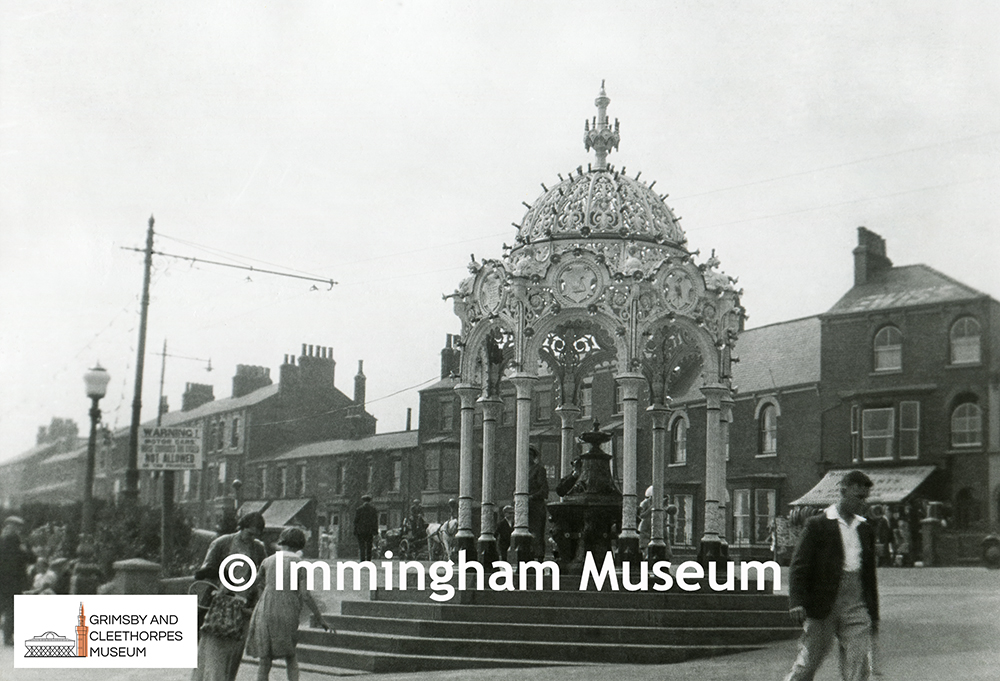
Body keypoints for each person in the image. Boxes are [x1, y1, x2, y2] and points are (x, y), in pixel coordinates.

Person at [784, 470, 879, 681]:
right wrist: (797, 602)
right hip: (822, 603)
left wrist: (873, 613)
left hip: (856, 603)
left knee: (859, 665)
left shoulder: (865, 529)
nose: (862, 503)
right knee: (808, 663)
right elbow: (800, 565)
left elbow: (869, 576)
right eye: (858, 497)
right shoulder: (818, 525)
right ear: (843, 492)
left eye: (865, 497)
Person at [245, 527, 329, 681]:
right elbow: (305, 595)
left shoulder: (267, 561)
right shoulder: (300, 564)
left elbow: (256, 584)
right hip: (287, 609)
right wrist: (319, 617)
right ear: (299, 545)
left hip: (265, 608)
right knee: (290, 655)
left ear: (282, 542)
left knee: (265, 660)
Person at [192, 511, 267, 681]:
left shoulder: (258, 548)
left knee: (233, 656)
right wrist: (226, 576)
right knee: (213, 655)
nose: (251, 538)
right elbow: (203, 572)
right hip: (218, 604)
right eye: (249, 533)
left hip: (241, 607)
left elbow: (263, 575)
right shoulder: (222, 543)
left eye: (255, 535)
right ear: (241, 527)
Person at [0, 516, 35, 646]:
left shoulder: (2, 542)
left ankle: (8, 635)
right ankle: (8, 637)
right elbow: (31, 559)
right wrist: (26, 548)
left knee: (6, 607)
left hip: (2, 580)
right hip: (14, 581)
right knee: (11, 609)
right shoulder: (18, 544)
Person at [527, 446, 549, 559]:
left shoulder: (539, 470)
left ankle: (539, 557)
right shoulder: (521, 471)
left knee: (537, 533)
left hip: (536, 507)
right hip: (524, 508)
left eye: (530, 454)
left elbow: (544, 490)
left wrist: (531, 497)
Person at [352, 495, 379, 562]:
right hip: (369, 531)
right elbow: (375, 521)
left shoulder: (359, 509)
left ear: (363, 501)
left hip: (360, 531)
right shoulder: (373, 510)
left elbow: (356, 521)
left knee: (362, 546)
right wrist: (375, 531)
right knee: (369, 546)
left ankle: (362, 559)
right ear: (370, 501)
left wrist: (355, 530)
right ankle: (369, 559)